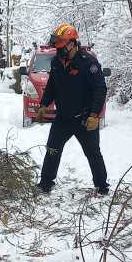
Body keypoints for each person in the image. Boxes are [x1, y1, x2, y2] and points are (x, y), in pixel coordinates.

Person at [35, 23, 109, 195]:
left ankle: (102, 186)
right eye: (57, 48)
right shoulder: (56, 62)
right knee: (52, 150)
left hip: (85, 119)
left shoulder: (89, 63)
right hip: (63, 118)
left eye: (61, 47)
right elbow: (52, 86)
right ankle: (45, 184)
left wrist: (94, 115)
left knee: (93, 153)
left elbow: (100, 89)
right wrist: (44, 105)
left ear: (72, 43)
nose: (59, 51)